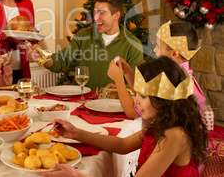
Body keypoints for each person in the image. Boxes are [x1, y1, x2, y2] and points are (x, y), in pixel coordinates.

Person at [38, 56, 208, 177]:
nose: (136, 101)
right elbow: (123, 144)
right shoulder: (162, 123)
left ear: (162, 100)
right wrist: (76, 133)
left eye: (142, 96)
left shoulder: (174, 135)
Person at [30, 0, 143, 90]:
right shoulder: (84, 35)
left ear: (116, 15)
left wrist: (119, 89)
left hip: (112, 105)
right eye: (95, 12)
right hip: (82, 104)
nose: (96, 17)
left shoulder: (133, 44)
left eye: (102, 12)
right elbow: (61, 61)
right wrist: (42, 57)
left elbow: (136, 84)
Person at [108, 20, 206, 119]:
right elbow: (144, 93)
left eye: (158, 47)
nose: (154, 50)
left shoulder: (170, 81)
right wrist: (127, 72)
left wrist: (118, 78)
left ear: (174, 54)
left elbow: (134, 113)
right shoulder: (183, 75)